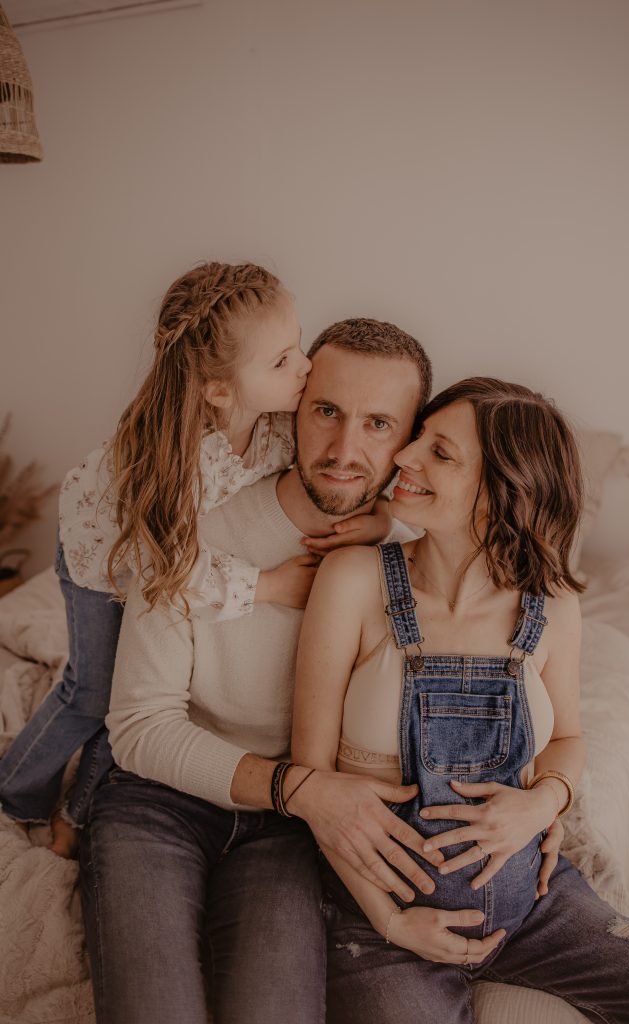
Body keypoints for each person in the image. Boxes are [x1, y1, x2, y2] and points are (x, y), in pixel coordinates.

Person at [82, 320, 552, 1024]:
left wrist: (546, 801)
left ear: (410, 441)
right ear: (291, 410)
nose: (343, 450)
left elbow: (517, 696)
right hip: (162, 801)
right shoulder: (190, 524)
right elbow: (140, 726)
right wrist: (299, 788)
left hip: (293, 831)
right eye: (326, 411)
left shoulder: (421, 547)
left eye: (379, 424)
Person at [292, 376, 629, 1024]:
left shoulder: (551, 604)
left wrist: (543, 802)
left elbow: (568, 740)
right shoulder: (354, 579)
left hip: (533, 910)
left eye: (439, 452)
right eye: (418, 437)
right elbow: (311, 777)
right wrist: (390, 921)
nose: (404, 456)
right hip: (382, 924)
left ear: (504, 489)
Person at [0, 262, 387, 857]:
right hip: (101, 555)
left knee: (130, 685)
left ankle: (78, 809)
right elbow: (170, 569)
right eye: (282, 361)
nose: (305, 368)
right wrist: (268, 587)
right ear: (220, 390)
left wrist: (381, 517)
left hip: (155, 549)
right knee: (92, 692)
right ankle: (17, 793)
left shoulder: (277, 422)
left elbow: (349, 469)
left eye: (298, 345)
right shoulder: (176, 463)